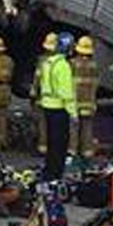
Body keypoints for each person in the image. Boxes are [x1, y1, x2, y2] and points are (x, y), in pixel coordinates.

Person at [37, 32, 77, 181]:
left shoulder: (47, 63)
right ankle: (56, 174)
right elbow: (66, 92)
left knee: (51, 143)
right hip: (60, 109)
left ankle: (48, 172)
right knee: (60, 145)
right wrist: (73, 113)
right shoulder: (63, 66)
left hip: (47, 105)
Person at [70, 35, 99, 159]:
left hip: (75, 102)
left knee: (73, 128)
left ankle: (72, 151)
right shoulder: (94, 66)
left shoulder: (72, 63)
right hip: (89, 103)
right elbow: (96, 84)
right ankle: (87, 152)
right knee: (87, 128)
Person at [31, 32, 58, 155]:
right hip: (56, 99)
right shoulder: (62, 62)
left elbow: (37, 78)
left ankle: (42, 147)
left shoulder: (42, 61)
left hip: (43, 97)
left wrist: (33, 91)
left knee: (42, 123)